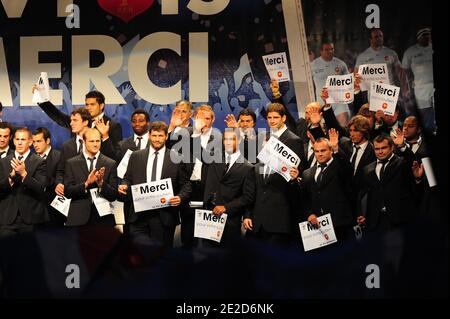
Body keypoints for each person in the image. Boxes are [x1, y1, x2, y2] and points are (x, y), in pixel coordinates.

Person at [118, 121, 192, 248]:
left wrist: (180, 197)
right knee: (138, 257)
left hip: (164, 217)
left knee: (161, 259)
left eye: (160, 136)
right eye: (154, 136)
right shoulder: (136, 156)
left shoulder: (177, 157)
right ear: (149, 136)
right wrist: (124, 185)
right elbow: (128, 178)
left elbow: (186, 185)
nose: (157, 139)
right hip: (138, 216)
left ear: (166, 136)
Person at [356, 134, 424, 232]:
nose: (380, 151)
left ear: (391, 147)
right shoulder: (367, 169)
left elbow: (414, 162)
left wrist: (402, 147)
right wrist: (362, 213)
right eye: (377, 149)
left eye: (384, 148)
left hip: (401, 218)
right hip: (376, 221)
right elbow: (362, 194)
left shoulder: (402, 163)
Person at [202, 129, 255, 247]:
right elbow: (209, 183)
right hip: (209, 217)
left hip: (231, 220)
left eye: (232, 139)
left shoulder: (247, 167)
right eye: (226, 139)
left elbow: (248, 197)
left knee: (227, 259)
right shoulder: (214, 160)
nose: (228, 142)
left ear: (240, 140)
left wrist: (226, 207)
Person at [35, 90, 122, 160]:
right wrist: (42, 100)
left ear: (101, 106)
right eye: (87, 104)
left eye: (92, 104)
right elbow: (58, 116)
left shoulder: (112, 126)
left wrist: (105, 136)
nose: (88, 107)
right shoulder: (77, 122)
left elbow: (116, 156)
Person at [300, 132, 354, 244]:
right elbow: (303, 199)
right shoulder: (307, 173)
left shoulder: (339, 167)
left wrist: (336, 149)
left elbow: (348, 169)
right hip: (316, 227)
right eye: (316, 151)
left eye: (323, 150)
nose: (319, 154)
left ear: (330, 151)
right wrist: (309, 214)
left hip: (339, 225)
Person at [64, 128, 118, 227]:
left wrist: (101, 184)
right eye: (91, 141)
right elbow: (67, 192)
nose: (95, 144)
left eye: (97, 141)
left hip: (103, 220)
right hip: (78, 218)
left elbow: (114, 195)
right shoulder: (71, 163)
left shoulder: (110, 163)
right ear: (84, 142)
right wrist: (86, 184)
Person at [0, 127, 47, 237]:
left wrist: (24, 174)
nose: (20, 143)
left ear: (30, 142)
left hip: (31, 218)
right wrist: (10, 178)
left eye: (23, 139)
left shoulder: (40, 162)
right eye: (17, 139)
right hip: (7, 218)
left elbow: (41, 188)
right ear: (14, 141)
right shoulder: (3, 162)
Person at [355, 28, 409, 96]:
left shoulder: (391, 53)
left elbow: (401, 72)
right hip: (373, 94)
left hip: (389, 92)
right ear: (370, 39)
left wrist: (405, 88)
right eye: (376, 37)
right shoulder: (362, 56)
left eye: (381, 36)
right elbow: (356, 75)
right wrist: (357, 86)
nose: (379, 38)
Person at [402, 27, 436, 133]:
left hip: (434, 86)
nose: (427, 37)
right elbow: (404, 70)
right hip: (420, 87)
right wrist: (409, 82)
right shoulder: (410, 52)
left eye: (428, 35)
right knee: (425, 113)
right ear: (418, 38)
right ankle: (427, 134)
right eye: (424, 35)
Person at [311, 40, 351, 126]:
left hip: (339, 101)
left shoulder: (341, 64)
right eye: (327, 49)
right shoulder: (313, 65)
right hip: (322, 102)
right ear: (321, 51)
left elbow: (349, 83)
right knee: (326, 128)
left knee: (344, 127)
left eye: (332, 49)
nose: (330, 51)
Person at [54, 108, 92, 198]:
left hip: (92, 196)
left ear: (85, 122)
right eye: (71, 120)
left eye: (75, 120)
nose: (71, 123)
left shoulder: (97, 143)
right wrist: (59, 183)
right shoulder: (66, 146)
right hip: (72, 197)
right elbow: (61, 170)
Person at [32, 127, 64, 227]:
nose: (35, 145)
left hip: (54, 208)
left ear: (48, 140)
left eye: (39, 141)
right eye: (33, 141)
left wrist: (58, 184)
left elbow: (61, 174)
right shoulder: (31, 158)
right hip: (35, 209)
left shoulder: (59, 156)